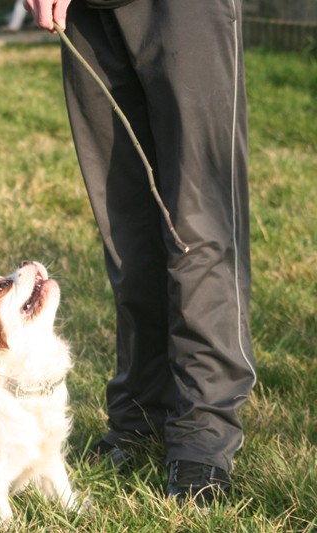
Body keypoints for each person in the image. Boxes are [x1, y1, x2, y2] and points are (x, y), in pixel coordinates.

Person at [22, 0, 257, 505]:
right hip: (88, 11)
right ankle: (140, 417)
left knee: (197, 224)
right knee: (126, 232)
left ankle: (201, 438)